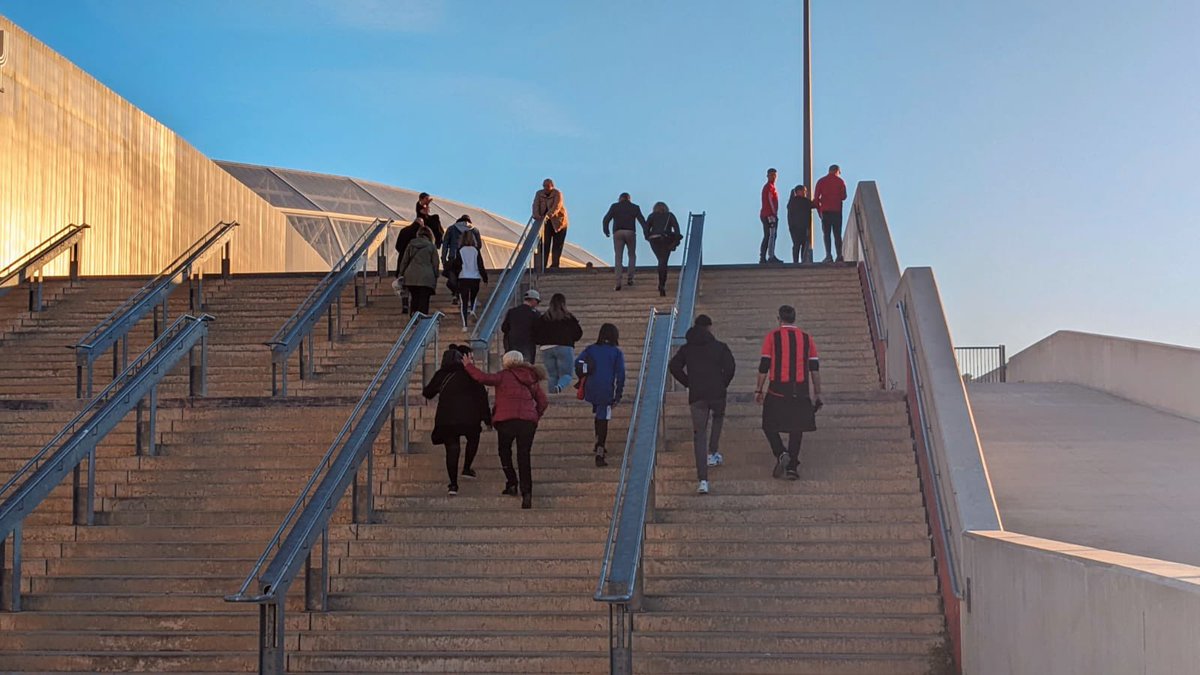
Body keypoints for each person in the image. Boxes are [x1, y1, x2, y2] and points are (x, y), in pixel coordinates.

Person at [464, 350, 548, 509]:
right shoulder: (531, 378)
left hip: (506, 421)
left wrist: (469, 366)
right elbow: (543, 401)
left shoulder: (503, 375)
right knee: (524, 456)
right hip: (527, 422)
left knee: (504, 451)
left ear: (506, 362)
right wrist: (535, 415)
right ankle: (527, 492)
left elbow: (483, 378)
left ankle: (511, 482)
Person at [669, 314, 736, 494]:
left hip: (697, 395)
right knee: (718, 417)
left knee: (699, 435)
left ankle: (703, 480)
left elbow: (673, 366)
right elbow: (730, 367)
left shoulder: (687, 349)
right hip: (717, 392)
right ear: (709, 328)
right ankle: (713, 452)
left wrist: (688, 382)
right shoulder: (720, 347)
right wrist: (723, 383)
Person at [755, 305, 823, 480]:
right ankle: (792, 467)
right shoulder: (807, 339)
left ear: (779, 319)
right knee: (797, 427)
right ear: (794, 318)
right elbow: (814, 368)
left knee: (768, 424)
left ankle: (780, 453)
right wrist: (817, 392)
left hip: (777, 388)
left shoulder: (772, 337)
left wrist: (759, 389)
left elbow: (764, 366)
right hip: (800, 390)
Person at [423, 344, 491, 495]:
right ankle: (467, 468)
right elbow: (482, 397)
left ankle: (453, 485)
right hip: (470, 417)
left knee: (452, 448)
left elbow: (428, 393)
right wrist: (487, 418)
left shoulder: (442, 373)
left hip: (446, 418)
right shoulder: (471, 373)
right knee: (473, 438)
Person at [575, 323, 625, 467]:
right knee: (604, 417)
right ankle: (600, 449)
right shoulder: (616, 353)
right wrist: (618, 395)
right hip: (606, 390)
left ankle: (598, 441)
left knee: (599, 413)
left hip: (592, 388)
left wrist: (586, 370)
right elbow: (621, 375)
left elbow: (577, 362)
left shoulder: (591, 349)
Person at [534, 293, 583, 393]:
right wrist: (570, 339)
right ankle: (560, 387)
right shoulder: (569, 318)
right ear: (563, 304)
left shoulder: (544, 318)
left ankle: (552, 394)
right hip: (564, 347)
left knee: (552, 375)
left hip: (546, 348)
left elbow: (536, 333)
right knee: (567, 375)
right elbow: (578, 333)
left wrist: (542, 342)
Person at [602, 192, 647, 291]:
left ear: (620, 198)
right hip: (630, 232)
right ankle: (630, 278)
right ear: (629, 199)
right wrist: (646, 233)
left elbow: (606, 219)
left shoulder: (615, 206)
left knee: (618, 256)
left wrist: (606, 229)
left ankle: (618, 282)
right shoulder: (635, 207)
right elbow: (642, 220)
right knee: (631, 255)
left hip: (618, 232)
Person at [450, 229, 488, 329]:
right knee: (473, 297)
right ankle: (472, 311)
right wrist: (485, 278)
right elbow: (480, 265)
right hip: (475, 277)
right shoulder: (476, 250)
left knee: (464, 301)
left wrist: (455, 274)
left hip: (463, 277)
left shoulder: (460, 250)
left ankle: (465, 325)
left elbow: (456, 265)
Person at [398, 226, 439, 315]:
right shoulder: (431, 246)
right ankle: (422, 319)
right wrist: (436, 275)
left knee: (414, 298)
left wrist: (401, 274)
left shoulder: (411, 245)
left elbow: (404, 261)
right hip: (426, 277)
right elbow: (435, 264)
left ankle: (413, 316)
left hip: (411, 276)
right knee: (424, 300)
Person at [643, 202, 681, 297]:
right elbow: (677, 229)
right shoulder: (670, 215)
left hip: (654, 240)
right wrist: (675, 242)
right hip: (665, 240)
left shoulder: (651, 216)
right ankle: (662, 284)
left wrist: (648, 237)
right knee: (663, 261)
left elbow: (646, 228)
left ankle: (662, 284)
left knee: (660, 259)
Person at [532, 178, 569, 269]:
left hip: (558, 223)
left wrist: (548, 215)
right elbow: (535, 205)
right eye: (544, 186)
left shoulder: (557, 194)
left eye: (547, 186)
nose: (546, 188)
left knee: (557, 244)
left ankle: (555, 265)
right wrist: (536, 215)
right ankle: (543, 265)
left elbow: (557, 206)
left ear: (552, 186)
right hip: (545, 222)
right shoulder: (539, 194)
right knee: (545, 243)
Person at [814, 164, 848, 263]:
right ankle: (839, 255)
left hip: (825, 211)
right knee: (837, 234)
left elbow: (816, 199)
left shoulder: (821, 181)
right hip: (837, 211)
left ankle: (828, 255)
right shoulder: (840, 181)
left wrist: (819, 211)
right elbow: (844, 196)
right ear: (837, 171)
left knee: (827, 234)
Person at [442, 214, 478, 305]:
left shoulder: (451, 228)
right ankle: (463, 296)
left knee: (454, 277)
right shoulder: (474, 230)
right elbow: (479, 246)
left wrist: (443, 259)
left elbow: (445, 245)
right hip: (468, 258)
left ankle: (456, 294)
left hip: (453, 257)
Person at [502, 289, 541, 363]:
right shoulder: (535, 314)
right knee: (527, 369)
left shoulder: (512, 311)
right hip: (528, 345)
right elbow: (538, 330)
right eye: (537, 301)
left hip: (512, 345)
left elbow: (504, 328)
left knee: (513, 367)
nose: (537, 304)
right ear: (533, 300)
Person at [786, 184, 818, 265]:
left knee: (797, 244)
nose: (805, 193)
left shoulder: (792, 202)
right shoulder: (803, 201)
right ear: (799, 191)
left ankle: (796, 262)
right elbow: (814, 204)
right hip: (801, 227)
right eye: (804, 191)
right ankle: (801, 261)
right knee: (802, 245)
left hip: (795, 227)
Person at [759, 168, 782, 264]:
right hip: (769, 215)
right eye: (772, 175)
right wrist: (773, 213)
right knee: (770, 235)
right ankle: (769, 256)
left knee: (769, 235)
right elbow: (770, 201)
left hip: (768, 214)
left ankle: (766, 256)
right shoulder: (769, 187)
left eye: (775, 175)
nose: (773, 177)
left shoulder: (771, 187)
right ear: (768, 176)